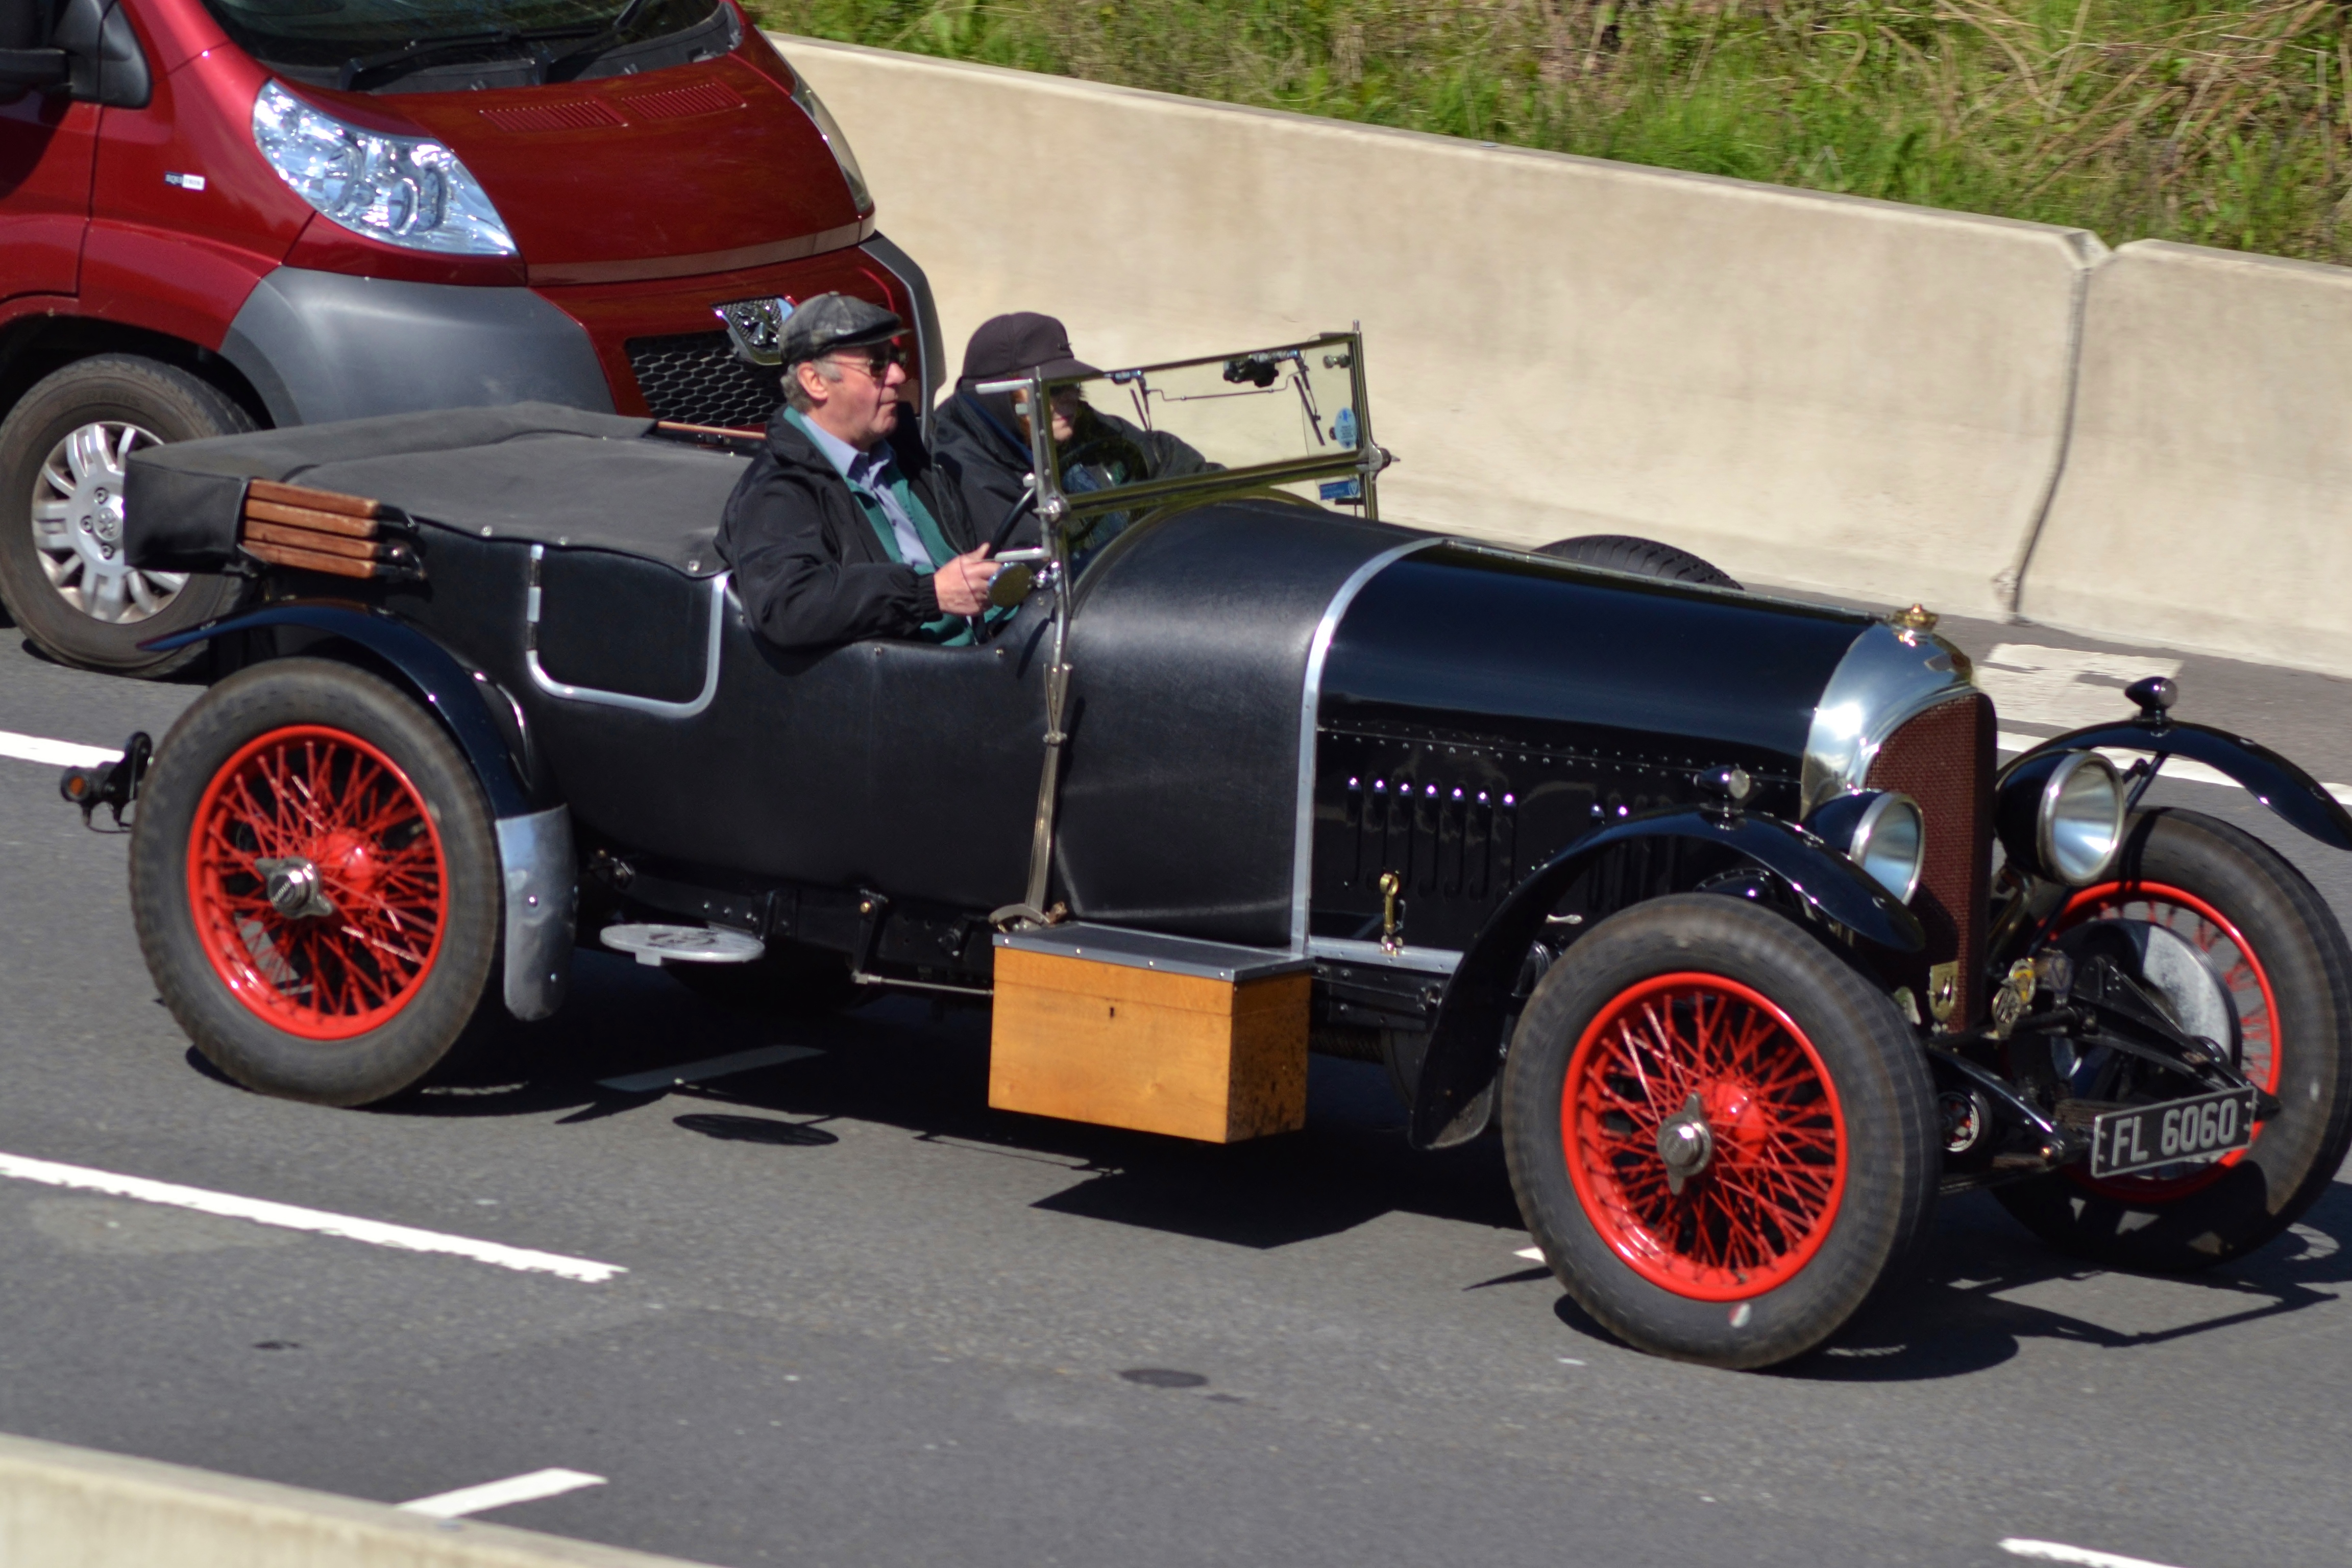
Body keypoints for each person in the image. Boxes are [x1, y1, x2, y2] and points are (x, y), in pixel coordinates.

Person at [717, 293, 998, 652]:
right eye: (877, 365)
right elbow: (786, 606)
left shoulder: (907, 451)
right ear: (815, 381)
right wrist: (928, 595)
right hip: (914, 681)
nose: (898, 375)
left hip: (988, 652)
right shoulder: (779, 489)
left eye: (896, 358)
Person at [931, 312, 1213, 554]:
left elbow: (1169, 462)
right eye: (1051, 389)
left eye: (1073, 384)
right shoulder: (963, 465)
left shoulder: (1078, 426)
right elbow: (1035, 563)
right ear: (1000, 397)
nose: (1069, 398)